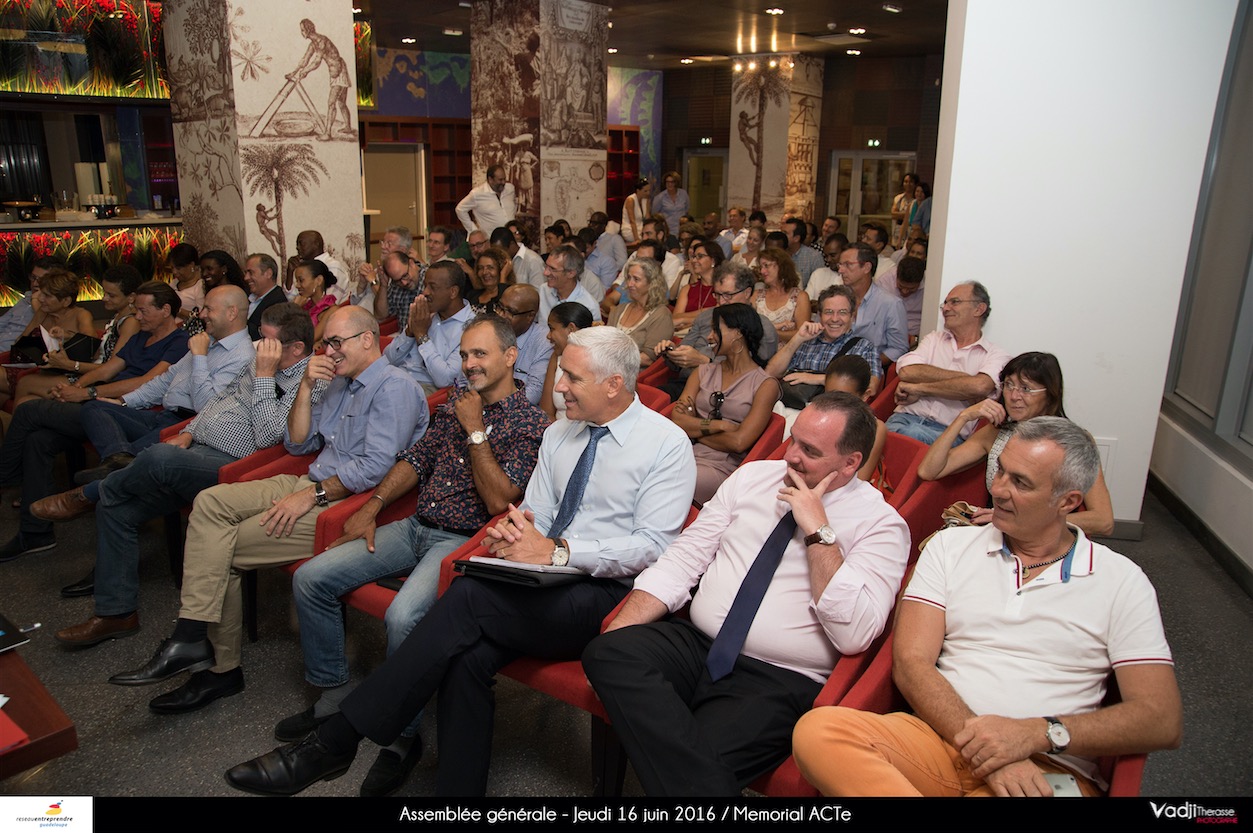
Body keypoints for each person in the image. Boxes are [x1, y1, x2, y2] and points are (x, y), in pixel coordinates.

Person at [223, 327, 697, 797]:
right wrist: (517, 533)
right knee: (466, 657)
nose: (558, 386)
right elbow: (540, 511)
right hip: (543, 578)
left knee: (466, 599)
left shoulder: (665, 445)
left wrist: (560, 551)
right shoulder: (560, 434)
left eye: (572, 378)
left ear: (614, 383)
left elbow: (654, 546)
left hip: (608, 595)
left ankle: (334, 743)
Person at [792, 417, 1182, 797]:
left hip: (1046, 767)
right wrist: (992, 750)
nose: (997, 488)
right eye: (1001, 472)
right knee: (819, 732)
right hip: (940, 739)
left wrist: (1034, 734)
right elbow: (912, 663)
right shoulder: (950, 547)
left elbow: (1160, 718)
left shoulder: (1122, 580)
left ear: (1068, 502)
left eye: (1020, 482)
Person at [581, 392, 910, 796]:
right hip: (698, 644)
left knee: (702, 761)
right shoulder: (754, 477)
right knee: (609, 650)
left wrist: (818, 532)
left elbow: (855, 633)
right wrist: (624, 624)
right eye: (793, 439)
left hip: (777, 678)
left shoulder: (882, 526)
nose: (790, 456)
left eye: (810, 450)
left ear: (849, 463)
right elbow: (685, 558)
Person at [275, 317, 550, 795]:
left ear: (510, 357)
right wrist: (373, 507)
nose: (468, 365)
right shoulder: (455, 404)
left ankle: (402, 740)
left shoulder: (530, 422)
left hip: (461, 541)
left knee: (404, 618)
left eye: (480, 354)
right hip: (413, 526)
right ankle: (334, 695)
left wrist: (476, 430)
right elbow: (417, 458)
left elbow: (499, 500)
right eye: (464, 355)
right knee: (311, 579)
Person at [107, 306, 427, 711]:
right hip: (308, 478)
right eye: (324, 343)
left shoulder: (394, 387)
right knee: (209, 503)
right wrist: (307, 389)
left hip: (343, 501)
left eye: (335, 343)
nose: (327, 352)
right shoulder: (337, 382)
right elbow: (297, 443)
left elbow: (375, 468)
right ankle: (191, 638)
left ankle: (217, 667)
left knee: (224, 546)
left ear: (368, 339)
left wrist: (310, 496)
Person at [40, 304, 314, 637]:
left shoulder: (307, 379)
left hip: (235, 467)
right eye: (261, 339)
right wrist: (187, 432)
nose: (260, 347)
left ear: (296, 348)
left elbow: (269, 435)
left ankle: (92, 491)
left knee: (157, 458)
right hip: (196, 449)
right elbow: (219, 400)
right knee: (117, 506)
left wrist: (266, 377)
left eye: (269, 341)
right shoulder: (259, 361)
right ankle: (116, 614)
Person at [0, 281, 190, 561]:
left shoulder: (179, 342)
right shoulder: (141, 337)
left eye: (142, 311)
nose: (137, 317)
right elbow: (107, 369)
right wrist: (75, 388)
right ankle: (35, 534)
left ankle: (5, 477)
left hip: (130, 413)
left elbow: (145, 383)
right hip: (100, 404)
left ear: (165, 310)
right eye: (135, 311)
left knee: (29, 412)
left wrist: (86, 393)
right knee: (38, 439)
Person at [72, 284, 255, 484]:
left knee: (139, 458)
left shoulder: (242, 356)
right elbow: (164, 380)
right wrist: (124, 402)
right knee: (95, 408)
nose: (202, 314)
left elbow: (206, 406)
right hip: (160, 415)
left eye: (209, 309)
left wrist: (200, 357)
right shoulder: (208, 340)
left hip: (185, 425)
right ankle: (117, 459)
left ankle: (112, 472)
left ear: (232, 313)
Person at [917, 352, 1114, 535]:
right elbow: (929, 470)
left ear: (1050, 394)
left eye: (1026, 389)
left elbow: (1103, 521)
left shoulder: (1073, 442)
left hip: (1044, 539)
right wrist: (963, 417)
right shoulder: (996, 433)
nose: (1013, 396)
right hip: (999, 530)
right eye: (1009, 385)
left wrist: (1024, 521)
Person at [670, 303, 780, 505]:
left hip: (723, 467)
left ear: (737, 333)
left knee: (670, 481)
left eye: (715, 329)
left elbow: (739, 443)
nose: (709, 337)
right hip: (685, 453)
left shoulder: (765, 385)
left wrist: (694, 427)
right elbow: (676, 420)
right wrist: (718, 426)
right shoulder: (702, 372)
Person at [887, 281, 1011, 445]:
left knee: (905, 435)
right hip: (903, 418)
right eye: (945, 303)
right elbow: (907, 371)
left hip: (948, 433)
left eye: (955, 302)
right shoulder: (933, 339)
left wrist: (919, 388)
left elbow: (979, 387)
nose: (945, 308)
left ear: (979, 309)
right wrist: (965, 382)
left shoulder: (996, 355)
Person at [14, 265, 142, 407]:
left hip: (100, 383)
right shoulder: (119, 316)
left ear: (131, 297)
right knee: (25, 401)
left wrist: (70, 365)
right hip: (90, 374)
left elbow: (112, 369)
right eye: (104, 292)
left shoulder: (131, 322)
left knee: (25, 383)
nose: (104, 298)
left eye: (111, 295)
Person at [656, 261, 779, 400]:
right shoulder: (705, 317)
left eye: (727, 295)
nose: (721, 302)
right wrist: (672, 353)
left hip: (727, 393)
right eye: (717, 295)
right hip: (685, 383)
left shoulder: (762, 327)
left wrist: (704, 362)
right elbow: (680, 359)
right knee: (648, 398)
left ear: (747, 293)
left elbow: (755, 375)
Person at [766, 286, 883, 408]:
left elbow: (871, 387)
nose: (835, 319)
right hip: (787, 406)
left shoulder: (864, 347)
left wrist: (818, 379)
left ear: (852, 316)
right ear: (820, 315)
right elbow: (770, 373)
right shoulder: (806, 341)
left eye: (842, 312)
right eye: (829, 312)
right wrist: (797, 338)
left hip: (832, 412)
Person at [383, 261, 473, 396]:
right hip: (396, 378)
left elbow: (446, 379)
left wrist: (421, 336)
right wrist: (410, 332)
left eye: (432, 287)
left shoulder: (471, 328)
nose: (425, 292)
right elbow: (388, 358)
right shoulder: (426, 316)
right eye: (425, 285)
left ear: (453, 292)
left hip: (425, 390)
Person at [836, 242, 909, 368]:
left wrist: (868, 364)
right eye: (840, 264)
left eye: (848, 265)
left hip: (869, 370)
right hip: (831, 364)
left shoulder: (890, 304)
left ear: (866, 267)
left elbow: (898, 348)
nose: (840, 270)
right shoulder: (835, 299)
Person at [823, 355, 889, 485]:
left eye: (843, 398)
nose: (834, 403)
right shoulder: (819, 417)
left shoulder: (876, 429)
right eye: (829, 396)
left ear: (865, 395)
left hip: (846, 491)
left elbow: (859, 481)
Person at [290, 19, 353, 141]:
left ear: (308, 30)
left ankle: (327, 133)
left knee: (331, 103)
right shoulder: (313, 44)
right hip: (335, 72)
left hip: (339, 72)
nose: (301, 33)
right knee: (341, 102)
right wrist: (295, 71)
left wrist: (305, 71)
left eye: (302, 30)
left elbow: (316, 62)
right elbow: (305, 60)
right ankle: (348, 127)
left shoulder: (321, 41)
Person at [607, 258, 674, 368]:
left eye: (636, 279)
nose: (629, 284)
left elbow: (647, 359)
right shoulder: (619, 310)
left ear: (652, 284)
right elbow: (605, 343)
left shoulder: (661, 315)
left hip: (633, 375)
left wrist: (610, 360)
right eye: (628, 278)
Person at [496, 284, 552, 406]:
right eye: (500, 307)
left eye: (510, 312)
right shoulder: (491, 331)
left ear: (530, 316)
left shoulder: (545, 341)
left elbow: (534, 393)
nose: (501, 315)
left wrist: (496, 406)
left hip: (518, 414)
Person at [540, 301, 594, 421]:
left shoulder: (598, 361)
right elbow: (546, 412)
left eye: (552, 328)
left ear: (571, 329)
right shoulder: (556, 357)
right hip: (557, 431)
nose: (548, 336)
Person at [0, 256, 64, 353]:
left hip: (16, 356)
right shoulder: (25, 300)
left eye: (41, 280)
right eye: (33, 278)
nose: (35, 283)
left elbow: (50, 335)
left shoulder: (55, 306)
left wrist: (36, 302)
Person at [753, 248, 811, 344]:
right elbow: (749, 328)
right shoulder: (756, 296)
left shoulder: (800, 297)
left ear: (781, 266)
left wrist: (768, 332)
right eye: (761, 267)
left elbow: (802, 334)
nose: (762, 271)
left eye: (766, 266)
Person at [538, 245, 600, 323]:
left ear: (571, 273)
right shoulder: (543, 290)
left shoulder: (589, 306)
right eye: (546, 266)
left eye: (552, 269)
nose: (545, 273)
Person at [672, 241, 725, 332]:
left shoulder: (723, 288)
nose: (694, 260)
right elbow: (675, 318)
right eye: (694, 257)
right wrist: (708, 312)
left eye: (700, 256)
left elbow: (718, 315)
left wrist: (684, 319)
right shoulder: (687, 289)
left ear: (713, 260)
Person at [875, 254, 925, 346]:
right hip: (889, 336)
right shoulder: (884, 282)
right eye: (901, 286)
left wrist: (917, 338)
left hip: (920, 338)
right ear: (896, 277)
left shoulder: (931, 286)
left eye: (911, 289)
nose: (905, 292)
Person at [286, 230, 349, 301]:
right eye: (297, 244)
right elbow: (291, 299)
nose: (297, 247)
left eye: (301, 244)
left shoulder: (333, 266)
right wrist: (290, 272)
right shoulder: (303, 268)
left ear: (316, 244)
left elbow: (327, 302)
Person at [456, 165, 516, 236]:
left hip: (512, 238)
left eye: (504, 179)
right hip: (490, 240)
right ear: (490, 179)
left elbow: (513, 207)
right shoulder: (477, 194)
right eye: (500, 180)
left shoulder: (510, 189)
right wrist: (473, 230)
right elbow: (460, 209)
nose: (503, 182)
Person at [290, 259, 339, 343]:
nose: (297, 285)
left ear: (318, 280)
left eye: (301, 280)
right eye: (296, 281)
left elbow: (310, 339)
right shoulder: (304, 306)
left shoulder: (331, 310)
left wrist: (294, 309)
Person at [243, 253, 288, 340]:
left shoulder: (278, 303)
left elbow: (263, 336)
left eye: (251, 273)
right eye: (245, 273)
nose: (246, 278)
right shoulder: (245, 296)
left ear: (268, 273)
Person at [369, 250, 420, 323]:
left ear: (411, 263)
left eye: (405, 276)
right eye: (398, 281)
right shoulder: (395, 285)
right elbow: (380, 316)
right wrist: (383, 285)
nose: (404, 283)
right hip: (403, 333)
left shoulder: (429, 278)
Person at [168, 243, 204, 329]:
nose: (174, 272)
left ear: (191, 265)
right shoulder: (174, 283)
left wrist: (178, 310)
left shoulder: (200, 286)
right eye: (172, 268)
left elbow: (202, 316)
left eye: (178, 268)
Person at [467, 246, 509, 316]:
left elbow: (503, 315)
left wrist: (503, 276)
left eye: (490, 268)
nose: (484, 272)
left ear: (501, 269)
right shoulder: (472, 295)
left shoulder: (510, 294)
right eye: (481, 268)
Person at [784, 217, 824, 289]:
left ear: (796, 238)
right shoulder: (778, 253)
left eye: (785, 233)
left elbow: (819, 286)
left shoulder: (814, 257)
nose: (782, 236)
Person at [806, 234, 847, 303]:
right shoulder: (818, 274)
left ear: (845, 252)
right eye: (826, 256)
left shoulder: (853, 277)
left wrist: (819, 304)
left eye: (833, 255)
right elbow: (806, 303)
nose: (828, 260)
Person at [655, 171, 690, 237]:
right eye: (667, 182)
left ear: (676, 183)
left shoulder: (683, 194)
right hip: (668, 231)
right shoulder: (660, 197)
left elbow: (687, 210)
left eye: (672, 182)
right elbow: (655, 214)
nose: (669, 184)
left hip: (682, 230)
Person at [621, 178, 652, 245]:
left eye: (649, 191)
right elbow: (632, 221)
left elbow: (647, 219)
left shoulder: (646, 200)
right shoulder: (631, 200)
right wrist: (637, 238)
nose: (648, 193)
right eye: (645, 191)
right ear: (638, 190)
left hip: (641, 228)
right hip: (630, 229)